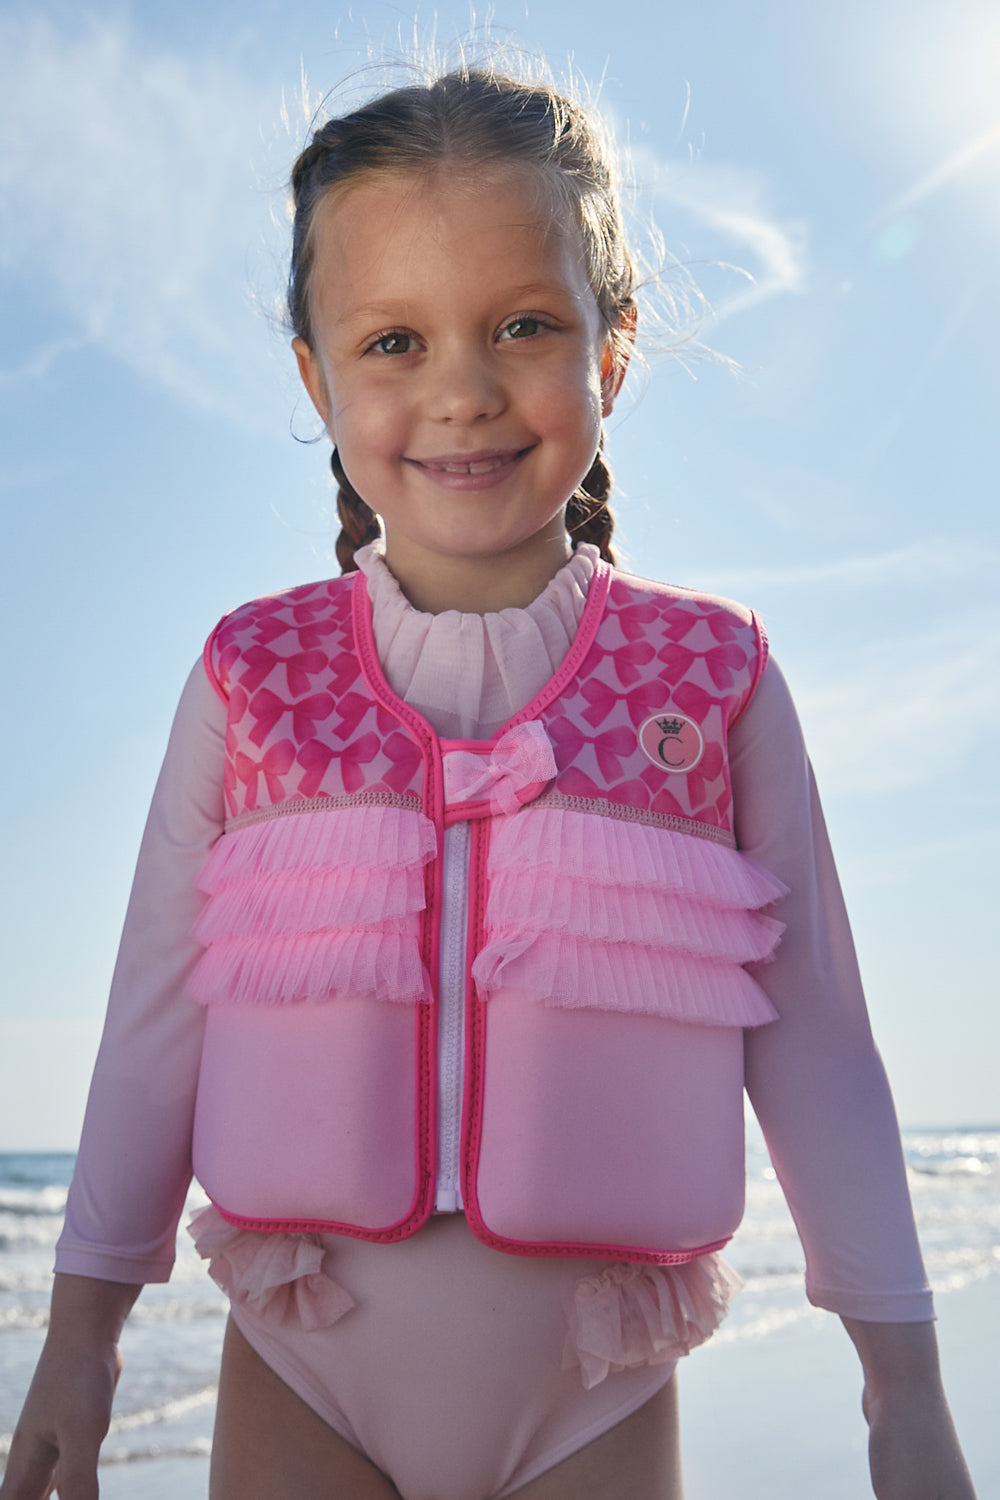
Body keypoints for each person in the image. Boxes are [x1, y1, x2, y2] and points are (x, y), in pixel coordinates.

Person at [0, 64, 977, 1500]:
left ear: (615, 347)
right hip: (303, 1362)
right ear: (315, 376)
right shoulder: (248, 675)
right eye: (394, 339)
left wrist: (907, 1394)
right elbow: (155, 1025)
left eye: (524, 324)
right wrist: (80, 1344)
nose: (461, 389)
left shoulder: (714, 680)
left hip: (588, 1386)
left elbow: (822, 1044)